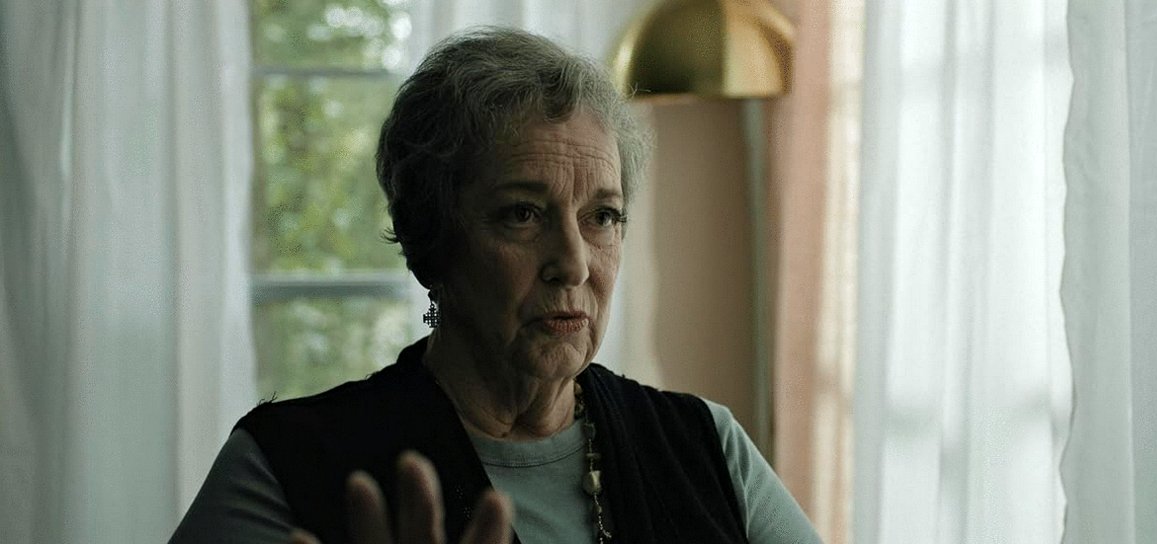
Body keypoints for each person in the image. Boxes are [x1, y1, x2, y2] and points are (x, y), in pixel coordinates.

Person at [171, 27, 822, 544]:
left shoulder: (705, 444)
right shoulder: (285, 466)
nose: (573, 263)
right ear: (431, 239)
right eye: (523, 214)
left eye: (602, 216)